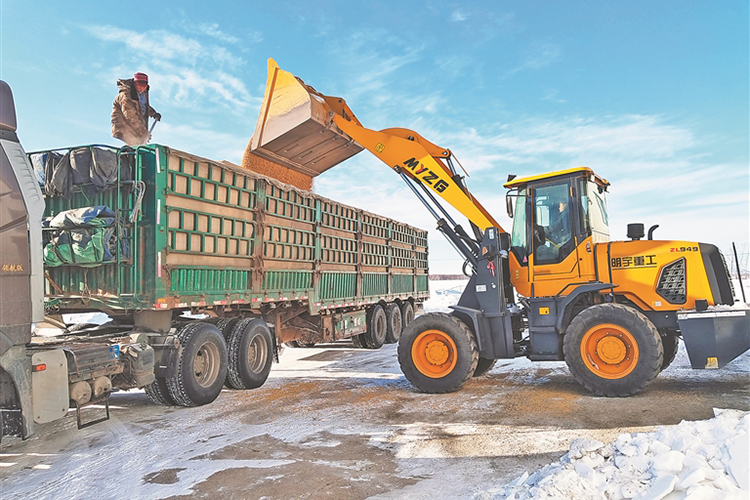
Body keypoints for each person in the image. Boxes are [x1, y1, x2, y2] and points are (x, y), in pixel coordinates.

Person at [111, 72, 161, 147]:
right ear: (134, 84)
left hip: (136, 126)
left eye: (143, 86)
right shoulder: (126, 96)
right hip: (124, 126)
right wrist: (143, 132)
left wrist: (153, 113)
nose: (141, 88)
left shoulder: (142, 94)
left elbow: (142, 106)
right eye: (139, 86)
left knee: (139, 145)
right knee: (134, 145)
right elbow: (130, 117)